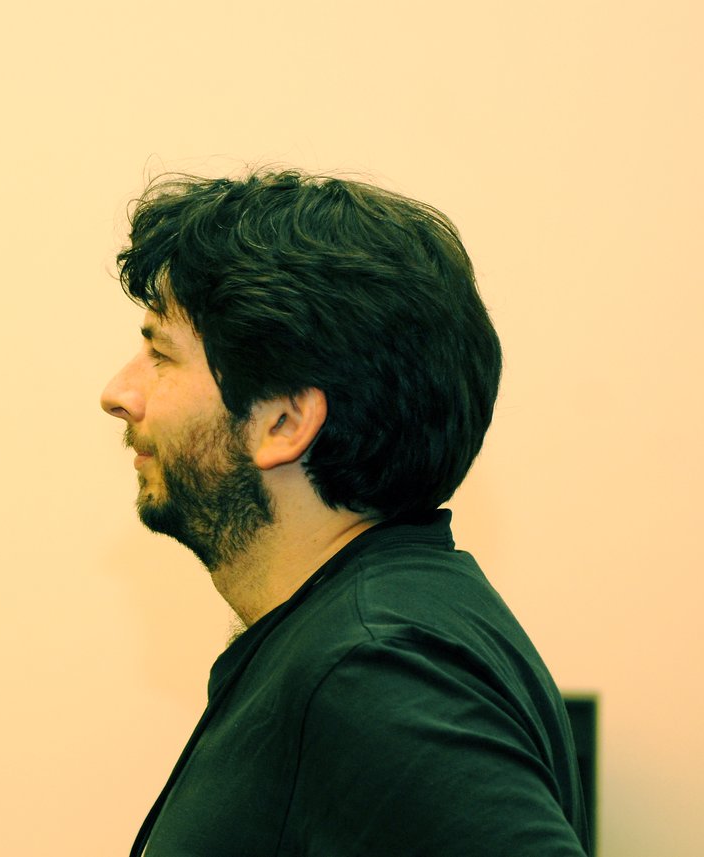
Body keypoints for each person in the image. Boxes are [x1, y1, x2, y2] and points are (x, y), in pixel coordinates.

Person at [100, 170, 591, 856]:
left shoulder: (375, 665)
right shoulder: (366, 628)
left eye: (160, 354)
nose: (119, 392)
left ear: (284, 421)